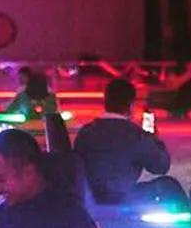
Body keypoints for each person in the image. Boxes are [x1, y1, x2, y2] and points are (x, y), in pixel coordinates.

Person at [73, 77, 183, 206]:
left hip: (90, 198)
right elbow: (161, 166)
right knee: (169, 185)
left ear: (105, 102)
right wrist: (155, 140)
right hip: (123, 197)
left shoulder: (86, 132)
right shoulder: (136, 135)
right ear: (131, 105)